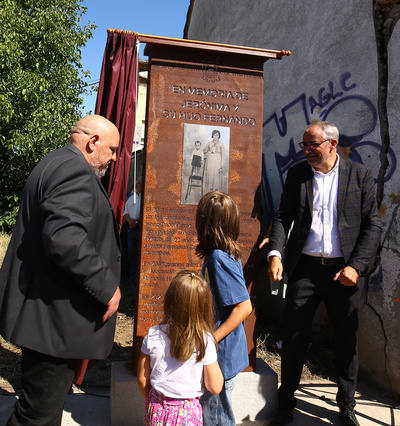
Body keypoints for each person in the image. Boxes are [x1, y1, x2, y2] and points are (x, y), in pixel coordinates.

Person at [0, 114, 122, 425]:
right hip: (53, 321)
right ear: (93, 143)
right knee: (37, 416)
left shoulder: (56, 161)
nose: (115, 157)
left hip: (45, 316)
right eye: (112, 149)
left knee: (42, 410)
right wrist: (107, 286)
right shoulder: (74, 170)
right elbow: (65, 238)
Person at [266, 121, 382, 426]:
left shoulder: (359, 176)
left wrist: (356, 266)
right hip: (304, 268)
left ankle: (346, 406)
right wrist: (276, 253)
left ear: (332, 144)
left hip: (343, 272)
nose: (306, 151)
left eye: (312, 145)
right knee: (294, 337)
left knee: (346, 339)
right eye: (304, 145)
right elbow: (282, 216)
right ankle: (286, 402)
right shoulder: (298, 175)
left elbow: (373, 225)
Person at [195, 191, 253, 425]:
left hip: (221, 356)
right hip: (220, 354)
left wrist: (212, 339)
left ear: (205, 223)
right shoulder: (220, 255)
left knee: (216, 417)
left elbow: (244, 306)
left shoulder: (219, 258)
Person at [137, 270, 223, 426]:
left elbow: (143, 378)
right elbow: (215, 386)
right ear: (204, 306)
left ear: (170, 301)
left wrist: (154, 400)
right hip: (187, 414)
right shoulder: (205, 340)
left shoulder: (154, 333)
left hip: (157, 409)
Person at [123, 178, 142, 280]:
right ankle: (132, 276)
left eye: (139, 183)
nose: (136, 185)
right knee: (131, 253)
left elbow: (145, 212)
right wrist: (130, 222)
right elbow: (125, 211)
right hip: (131, 228)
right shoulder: (132, 198)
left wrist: (137, 222)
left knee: (139, 253)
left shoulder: (145, 198)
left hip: (139, 228)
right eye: (136, 183)